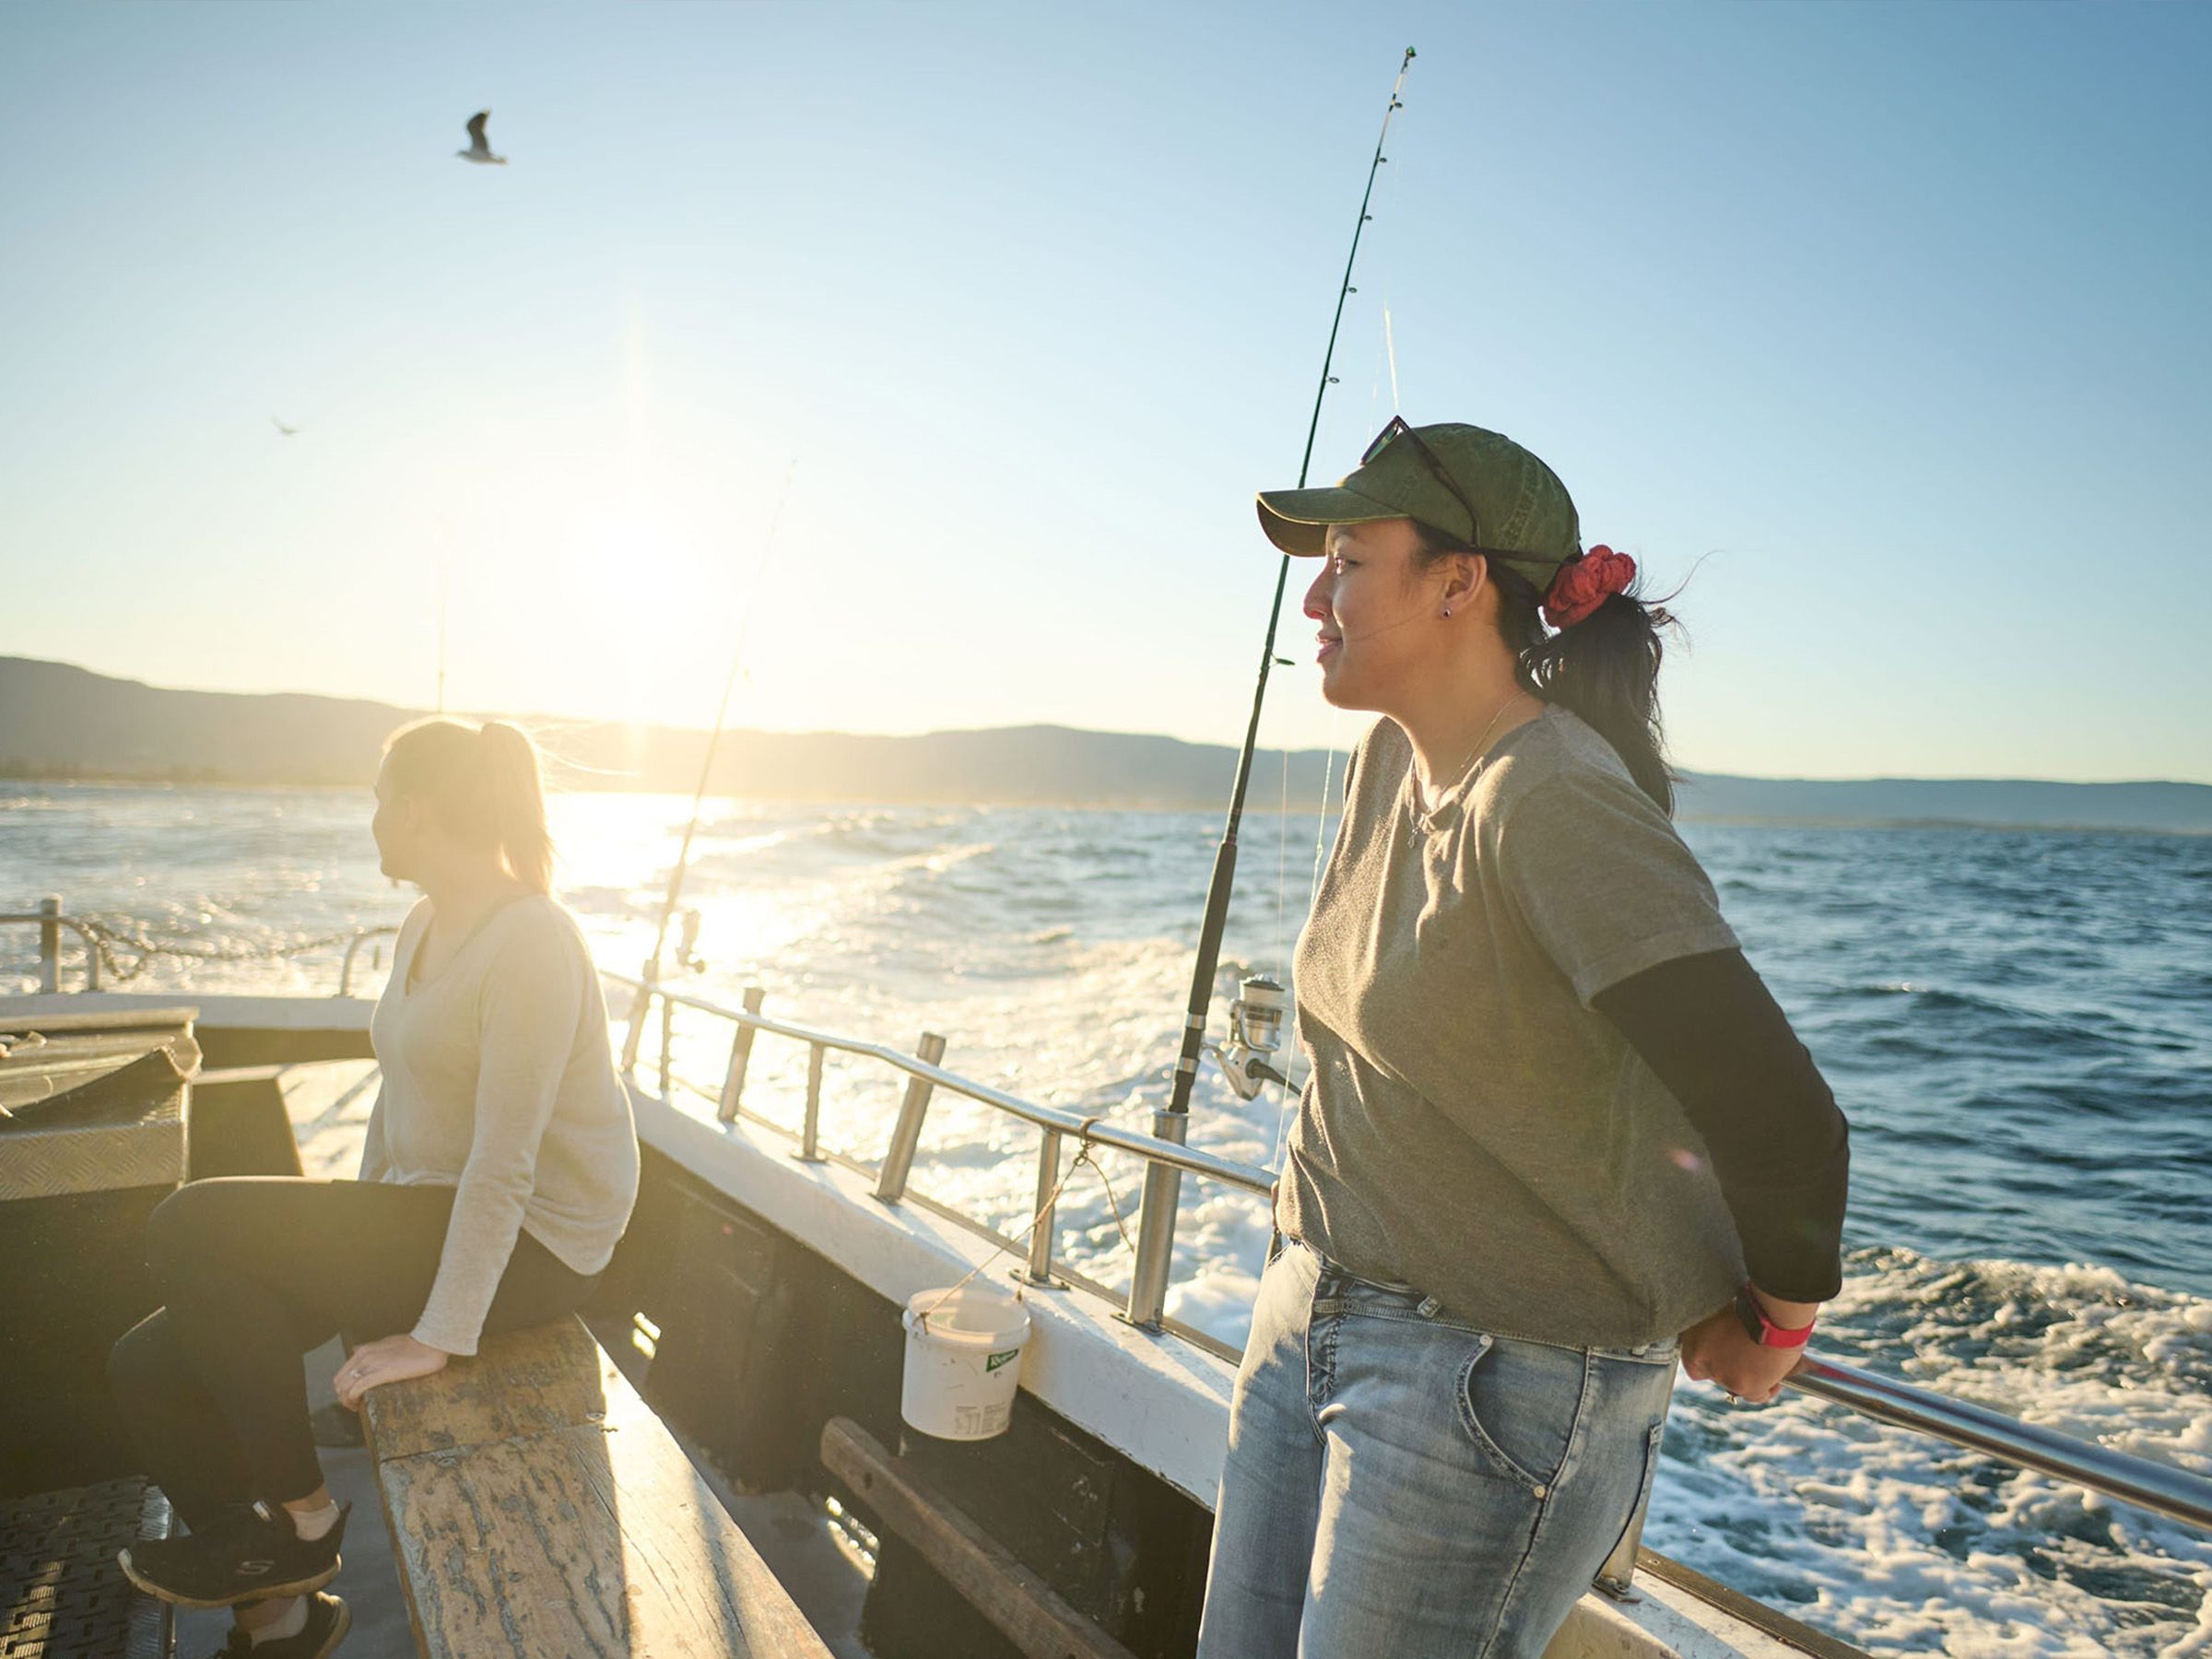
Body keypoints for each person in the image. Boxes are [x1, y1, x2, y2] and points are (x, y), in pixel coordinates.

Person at [1194, 420, 1851, 1658]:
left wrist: (1775, 1325)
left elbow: (1781, 1114)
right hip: (1312, 1305)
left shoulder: (1551, 798)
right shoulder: (1388, 759)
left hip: (1483, 1386)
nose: (1317, 599)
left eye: (1347, 561)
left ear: (1458, 581)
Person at [109, 717, 641, 1658]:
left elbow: (505, 1162)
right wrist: (346, 1245)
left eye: (378, 801)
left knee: (189, 1226)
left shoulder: (534, 942)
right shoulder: (427, 920)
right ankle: (277, 1611)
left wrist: (439, 1334)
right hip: (437, 1210)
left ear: (422, 811)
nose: (372, 822)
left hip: (540, 1244)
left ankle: (304, 1524)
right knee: (147, 1368)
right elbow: (397, 1098)